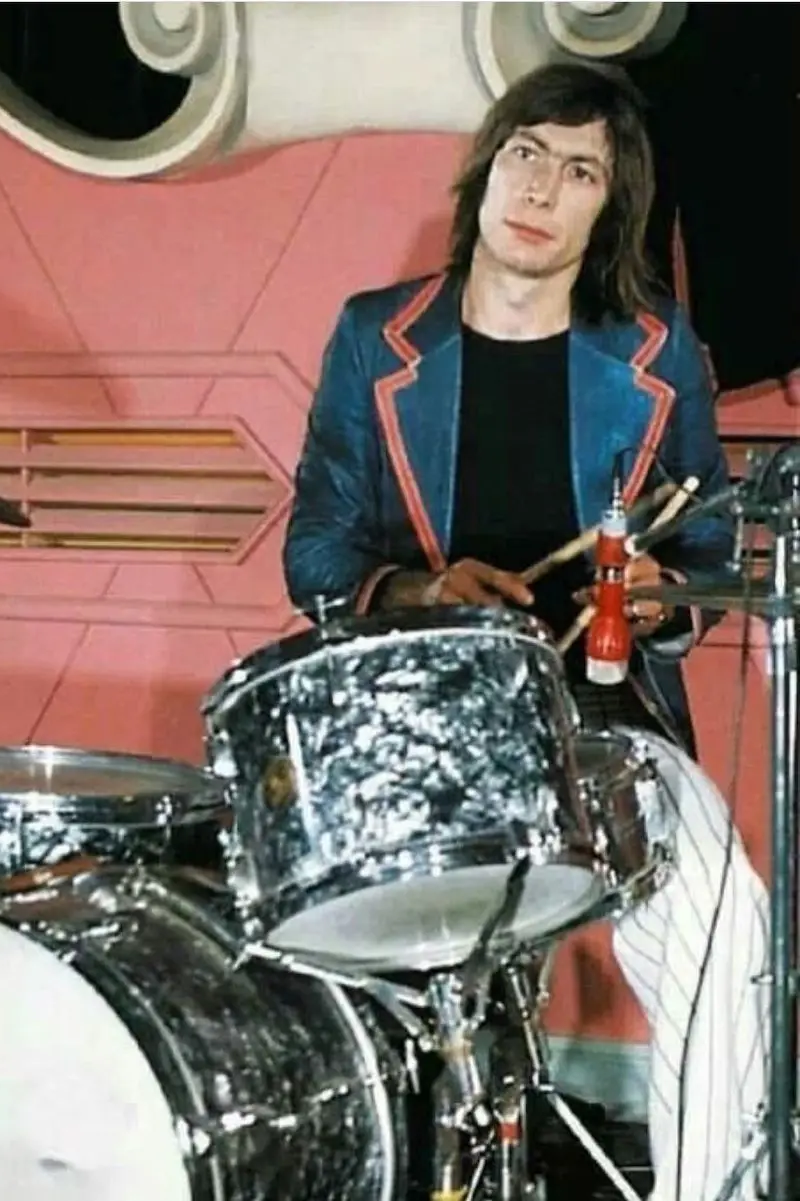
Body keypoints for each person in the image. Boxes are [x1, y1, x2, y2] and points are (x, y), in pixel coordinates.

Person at [283, 62, 768, 1201]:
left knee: (721, 927)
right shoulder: (376, 338)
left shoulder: (659, 358)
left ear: (611, 209)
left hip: (600, 726)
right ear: (491, 166)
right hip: (418, 719)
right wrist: (416, 588)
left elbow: (707, 554)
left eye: (581, 170)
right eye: (527, 154)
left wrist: (664, 595)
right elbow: (315, 547)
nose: (543, 188)